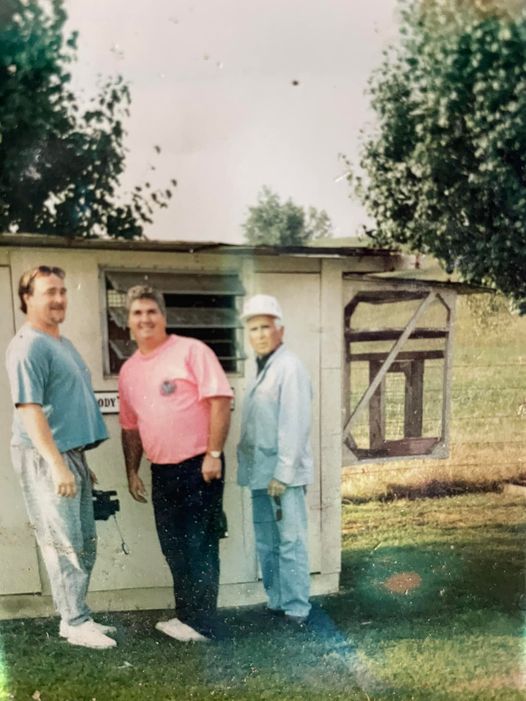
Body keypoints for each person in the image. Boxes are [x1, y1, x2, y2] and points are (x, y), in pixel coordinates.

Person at [5, 265, 116, 649]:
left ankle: (78, 614)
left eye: (62, 291)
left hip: (70, 454)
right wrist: (56, 465)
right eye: (49, 292)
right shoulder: (28, 345)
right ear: (27, 299)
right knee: (64, 541)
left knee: (83, 538)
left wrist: (78, 463)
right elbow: (29, 409)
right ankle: (74, 621)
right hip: (45, 457)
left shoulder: (60, 342)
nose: (58, 299)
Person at [118, 285, 233, 642]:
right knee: (174, 547)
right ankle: (187, 618)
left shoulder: (191, 351)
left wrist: (213, 454)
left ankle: (203, 624)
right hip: (162, 471)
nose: (145, 319)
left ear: (164, 316)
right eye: (137, 313)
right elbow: (130, 427)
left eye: (151, 311)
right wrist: (131, 471)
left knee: (200, 546)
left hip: (200, 466)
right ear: (128, 321)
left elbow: (220, 401)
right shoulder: (129, 371)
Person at [237, 294, 313, 624]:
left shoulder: (289, 368)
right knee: (267, 542)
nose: (259, 335)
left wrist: (283, 474)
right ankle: (277, 600)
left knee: (290, 541)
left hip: (283, 477)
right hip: (260, 474)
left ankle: (296, 607)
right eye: (253, 329)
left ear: (280, 329)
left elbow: (294, 424)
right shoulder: (260, 369)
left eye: (265, 327)